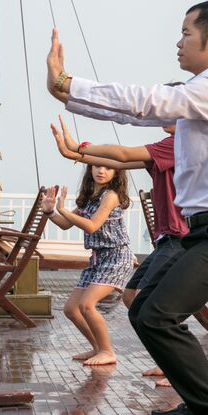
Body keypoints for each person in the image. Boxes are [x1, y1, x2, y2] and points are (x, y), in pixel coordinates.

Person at [45, 0, 208, 415]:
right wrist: (69, 97)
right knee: (145, 311)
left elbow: (147, 101)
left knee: (159, 314)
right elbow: (134, 113)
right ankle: (198, 403)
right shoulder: (200, 99)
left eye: (186, 33)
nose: (178, 42)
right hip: (205, 232)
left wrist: (68, 83)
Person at [50, 115, 186, 386]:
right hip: (143, 245)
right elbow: (117, 161)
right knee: (108, 301)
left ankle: (167, 364)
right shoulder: (166, 146)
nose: (100, 170)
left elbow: (121, 157)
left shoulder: (177, 146)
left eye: (169, 110)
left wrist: (78, 148)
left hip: (148, 247)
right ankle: (113, 350)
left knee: (145, 306)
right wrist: (75, 154)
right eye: (96, 167)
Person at [39, 164, 133, 367]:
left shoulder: (110, 196)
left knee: (87, 305)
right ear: (90, 170)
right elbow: (65, 224)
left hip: (116, 257)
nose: (101, 171)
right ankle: (98, 348)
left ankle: (108, 351)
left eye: (108, 168)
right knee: (71, 309)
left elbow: (92, 226)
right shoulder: (90, 197)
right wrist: (50, 212)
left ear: (116, 173)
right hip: (98, 259)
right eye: (97, 166)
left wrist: (63, 209)